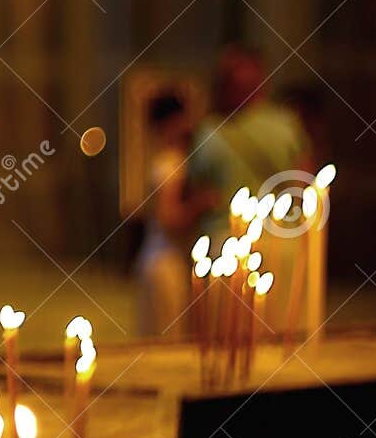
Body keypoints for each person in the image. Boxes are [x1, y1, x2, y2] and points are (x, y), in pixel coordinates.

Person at [188, 45, 309, 242]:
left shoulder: (209, 132)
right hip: (281, 237)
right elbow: (304, 183)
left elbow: (198, 192)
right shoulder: (287, 124)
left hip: (225, 241)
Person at [132, 91, 212, 337]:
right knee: (167, 338)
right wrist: (201, 203)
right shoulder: (171, 164)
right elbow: (168, 219)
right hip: (165, 263)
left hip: (156, 259)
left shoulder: (163, 160)